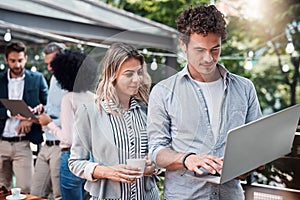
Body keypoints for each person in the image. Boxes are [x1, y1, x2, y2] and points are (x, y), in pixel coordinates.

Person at [147, 5, 262, 199]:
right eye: (200, 50)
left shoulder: (244, 88)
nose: (208, 58)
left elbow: (257, 145)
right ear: (183, 45)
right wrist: (187, 159)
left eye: (215, 49)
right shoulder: (163, 92)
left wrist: (248, 164)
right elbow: (156, 152)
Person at [68, 43, 160, 200]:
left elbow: (159, 152)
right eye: (129, 74)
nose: (137, 79)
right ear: (112, 75)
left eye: (139, 73)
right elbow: (75, 162)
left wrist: (154, 166)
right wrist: (108, 172)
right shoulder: (89, 112)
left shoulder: (148, 110)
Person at [37, 49, 98, 200]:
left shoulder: (69, 98)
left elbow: (68, 139)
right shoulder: (95, 98)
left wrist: (49, 123)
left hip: (72, 157)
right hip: (93, 159)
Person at [0, 41, 48, 193]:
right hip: (1, 143)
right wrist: (10, 113)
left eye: (20, 60)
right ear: (6, 60)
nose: (17, 65)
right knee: (2, 189)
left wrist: (31, 117)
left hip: (24, 143)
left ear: (26, 58)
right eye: (13, 61)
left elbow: (48, 106)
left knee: (26, 189)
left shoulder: (37, 78)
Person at [30, 42, 67, 199]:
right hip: (47, 144)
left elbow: (74, 119)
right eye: (47, 64)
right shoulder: (53, 79)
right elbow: (54, 108)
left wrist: (48, 121)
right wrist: (43, 109)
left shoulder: (71, 82)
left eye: (52, 63)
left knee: (59, 196)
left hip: (62, 146)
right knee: (35, 193)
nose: (49, 68)